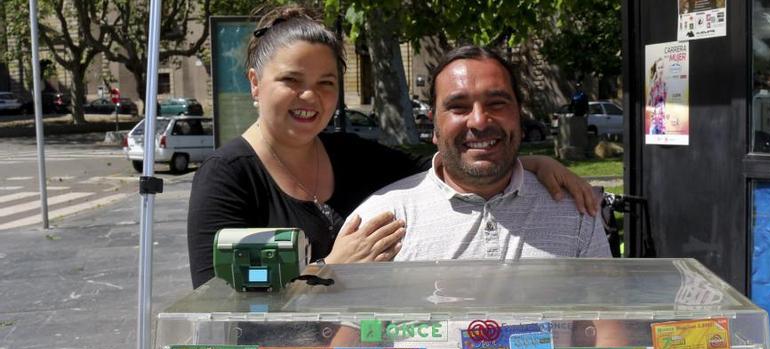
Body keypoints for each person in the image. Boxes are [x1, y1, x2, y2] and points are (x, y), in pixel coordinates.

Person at [348, 45, 626, 349]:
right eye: (457, 107)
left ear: (519, 113)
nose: (479, 120)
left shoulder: (573, 210)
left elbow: (608, 327)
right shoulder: (382, 218)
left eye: (497, 103)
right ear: (434, 124)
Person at [186, 5, 600, 289]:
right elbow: (216, 302)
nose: (309, 97)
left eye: (326, 83)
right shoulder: (229, 176)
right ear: (256, 83)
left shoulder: (351, 154)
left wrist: (531, 161)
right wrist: (329, 271)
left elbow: (447, 161)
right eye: (292, 81)